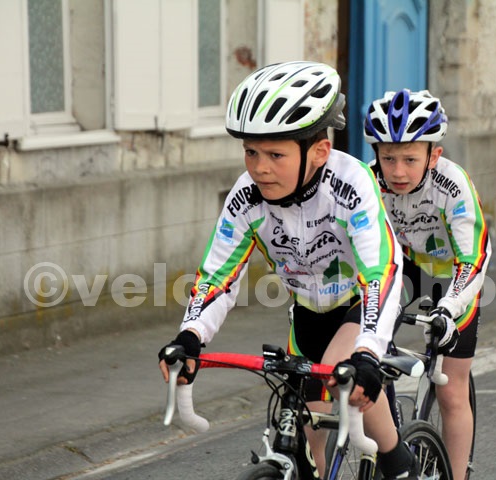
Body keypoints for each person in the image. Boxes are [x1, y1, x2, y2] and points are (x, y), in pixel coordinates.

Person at [158, 61, 419, 479]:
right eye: (251, 152)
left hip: (361, 304)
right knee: (306, 436)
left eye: (275, 155)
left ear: (319, 152)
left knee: (342, 377)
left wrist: (369, 351)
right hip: (307, 315)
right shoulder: (247, 196)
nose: (259, 168)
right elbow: (218, 275)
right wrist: (191, 335)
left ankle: (397, 460)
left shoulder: (350, 184)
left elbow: (381, 272)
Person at [363, 88, 491, 480]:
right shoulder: (368, 181)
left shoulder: (453, 184)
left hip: (454, 276)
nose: (397, 171)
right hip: (404, 269)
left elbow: (474, 258)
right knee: (369, 352)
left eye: (410, 159)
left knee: (451, 390)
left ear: (433, 156)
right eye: (388, 158)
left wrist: (449, 309)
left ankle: (457, 475)